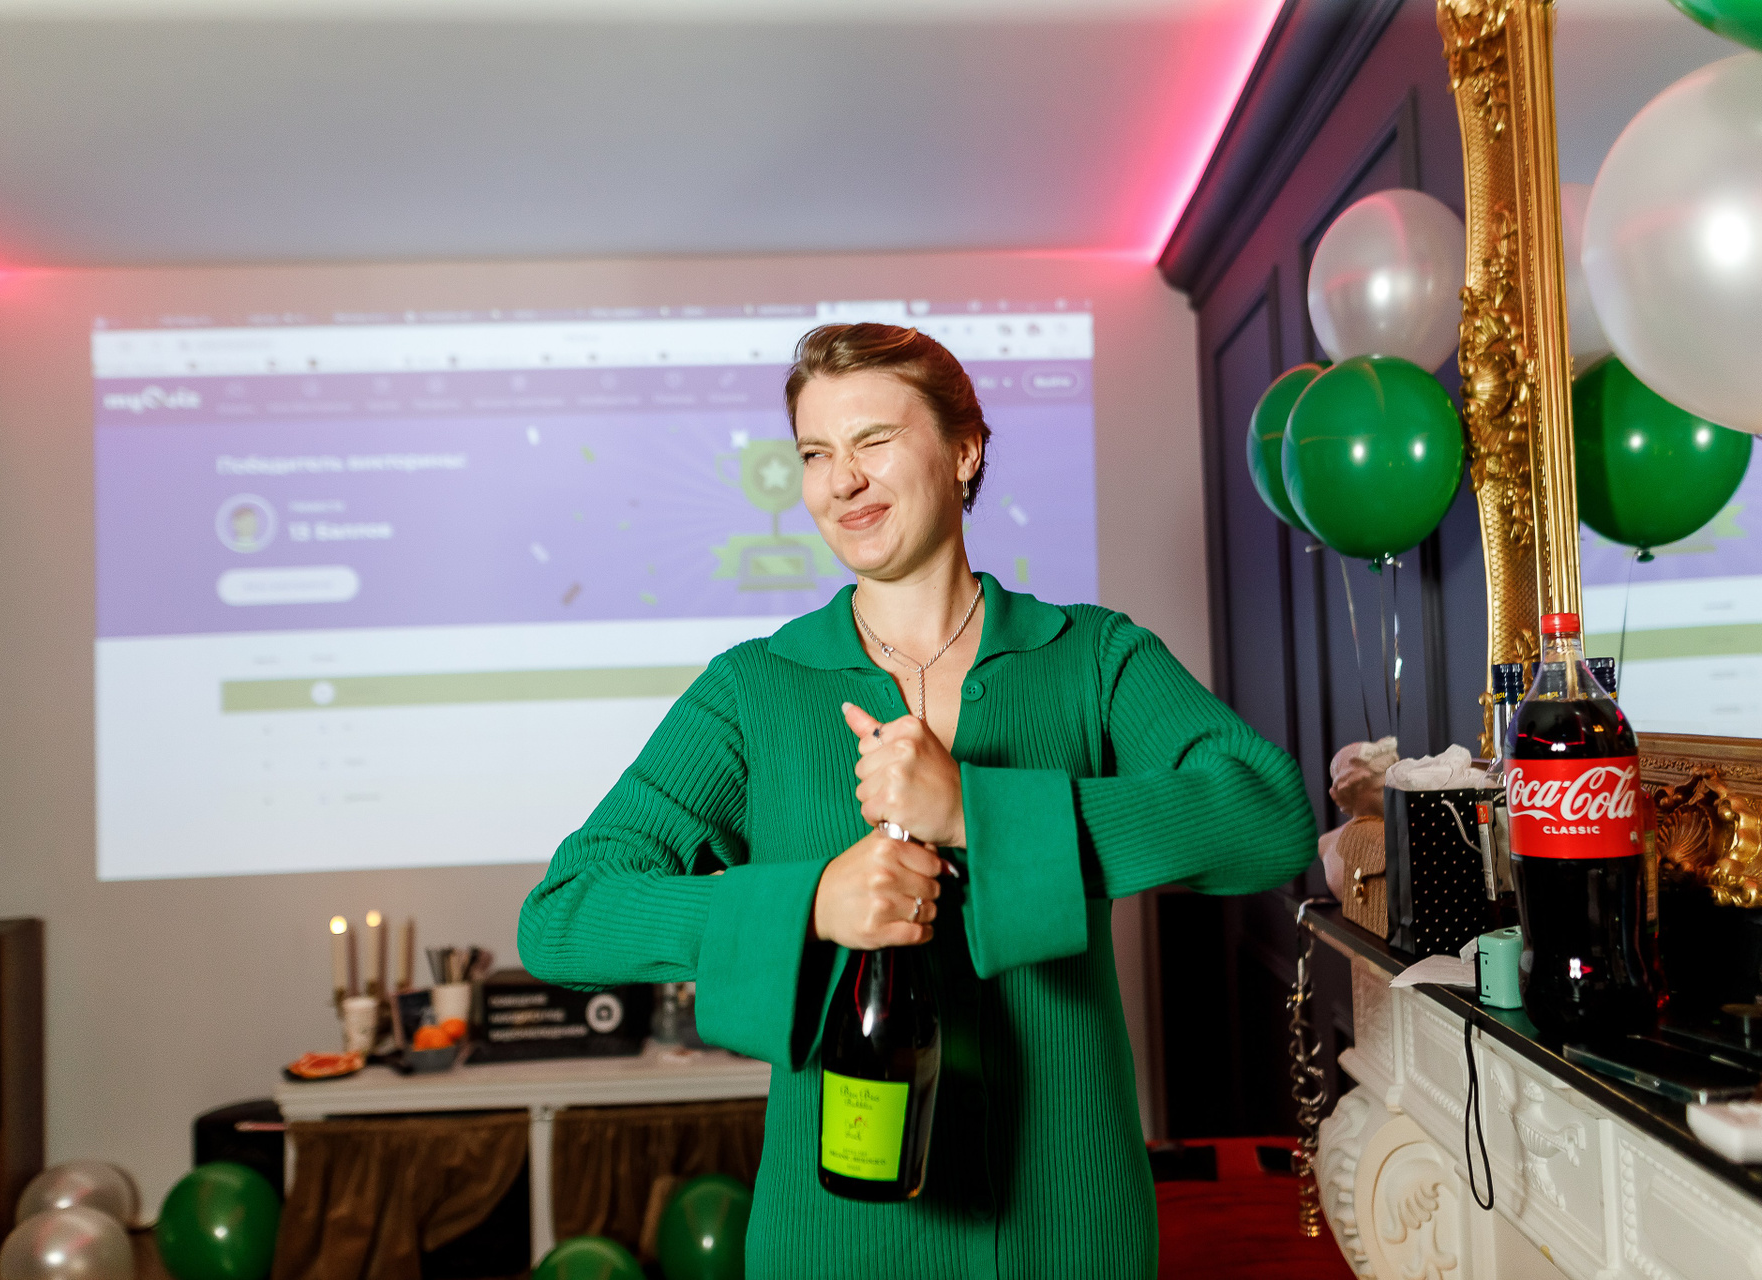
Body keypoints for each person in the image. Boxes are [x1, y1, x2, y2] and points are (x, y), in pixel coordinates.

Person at [519, 322, 1316, 1280]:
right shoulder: (750, 691)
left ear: (965, 450)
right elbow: (561, 919)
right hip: (834, 1245)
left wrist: (974, 813)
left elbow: (1268, 816)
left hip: (1066, 1230)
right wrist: (811, 903)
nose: (842, 480)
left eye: (874, 441)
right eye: (816, 453)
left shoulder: (1093, 656)